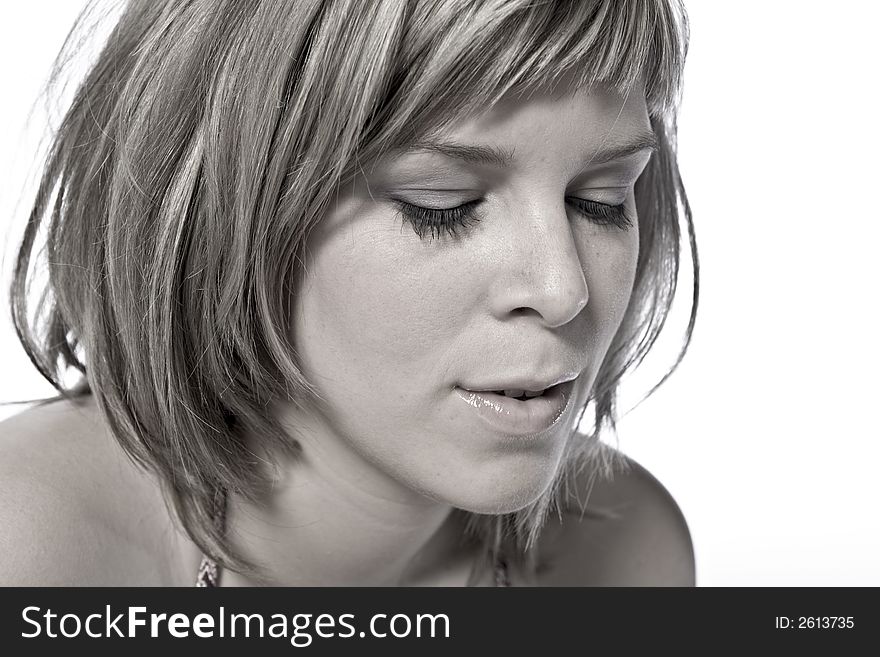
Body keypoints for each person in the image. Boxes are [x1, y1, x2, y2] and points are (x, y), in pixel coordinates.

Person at [0, 0, 697, 586]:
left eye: (602, 200)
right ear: (228, 214)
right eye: (443, 204)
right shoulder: (32, 550)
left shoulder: (622, 554)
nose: (562, 288)